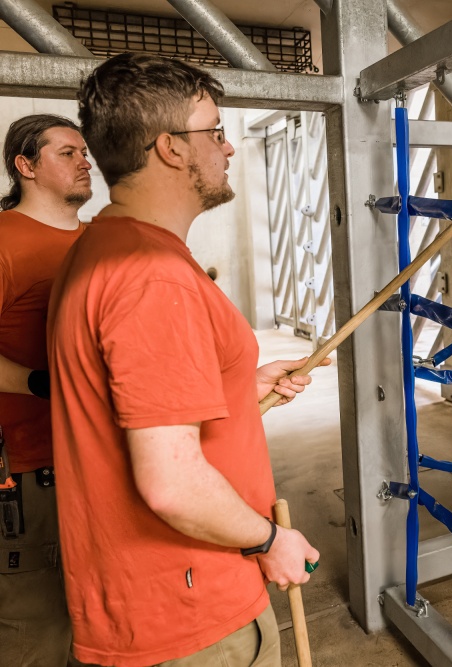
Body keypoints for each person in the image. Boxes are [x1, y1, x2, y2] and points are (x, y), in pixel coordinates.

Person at [48, 53, 323, 667]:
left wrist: (236, 386)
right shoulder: (154, 278)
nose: (227, 149)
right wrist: (271, 539)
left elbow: (132, 412)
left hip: (140, 599)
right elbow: (172, 486)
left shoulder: (104, 247)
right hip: (190, 611)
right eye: (216, 132)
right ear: (171, 148)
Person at [0, 113, 92, 667]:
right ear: (25, 166)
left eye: (85, 152)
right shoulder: (4, 240)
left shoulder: (99, 238)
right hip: (31, 463)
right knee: (35, 623)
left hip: (95, 457)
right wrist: (38, 383)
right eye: (67, 153)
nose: (86, 161)